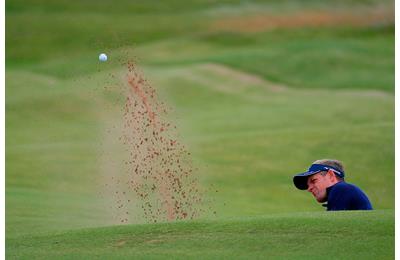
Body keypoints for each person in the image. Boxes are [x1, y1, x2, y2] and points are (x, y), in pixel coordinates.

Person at [293, 159, 372, 211]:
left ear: (331, 175)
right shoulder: (342, 190)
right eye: (308, 185)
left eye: (314, 181)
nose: (309, 189)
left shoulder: (340, 189)